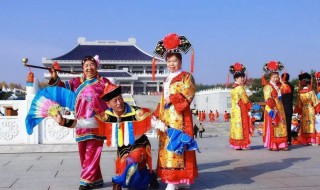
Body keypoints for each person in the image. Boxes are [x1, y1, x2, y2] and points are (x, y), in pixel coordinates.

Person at [49, 55, 111, 189]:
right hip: (80, 123)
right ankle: (97, 179)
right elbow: (61, 89)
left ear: (96, 66)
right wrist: (55, 77)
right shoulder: (76, 82)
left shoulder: (103, 82)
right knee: (84, 153)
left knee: (92, 151)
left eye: (91, 65)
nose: (89, 68)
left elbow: (114, 97)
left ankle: (86, 182)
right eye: (86, 65)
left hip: (97, 123)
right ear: (82, 68)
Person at [153, 33, 198, 190]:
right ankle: (174, 179)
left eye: (175, 61)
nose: (172, 64)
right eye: (169, 61)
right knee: (168, 146)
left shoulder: (186, 76)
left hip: (180, 117)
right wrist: (157, 114)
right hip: (167, 117)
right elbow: (162, 99)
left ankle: (178, 180)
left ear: (180, 61)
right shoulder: (166, 79)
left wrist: (172, 98)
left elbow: (189, 92)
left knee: (178, 144)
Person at [94, 83, 160, 190]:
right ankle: (121, 180)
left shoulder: (135, 111)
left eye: (120, 99)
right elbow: (89, 123)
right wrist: (64, 121)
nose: (119, 103)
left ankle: (148, 177)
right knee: (125, 170)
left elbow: (152, 121)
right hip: (123, 147)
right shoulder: (106, 115)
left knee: (135, 163)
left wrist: (165, 127)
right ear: (108, 104)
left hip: (139, 144)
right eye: (115, 101)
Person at [262, 61, 289, 151]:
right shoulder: (267, 87)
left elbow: (287, 90)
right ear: (270, 77)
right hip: (271, 109)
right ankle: (273, 144)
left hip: (280, 108)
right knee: (274, 126)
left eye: (277, 77)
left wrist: (282, 81)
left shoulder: (279, 86)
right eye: (274, 77)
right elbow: (268, 99)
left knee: (281, 126)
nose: (276, 79)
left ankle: (282, 144)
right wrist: (273, 108)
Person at [228, 63, 253, 150]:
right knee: (243, 126)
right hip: (241, 109)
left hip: (235, 110)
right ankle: (243, 144)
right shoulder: (239, 88)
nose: (242, 79)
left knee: (236, 127)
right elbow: (245, 100)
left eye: (243, 77)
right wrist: (250, 107)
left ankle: (237, 144)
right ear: (236, 78)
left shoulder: (232, 88)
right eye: (240, 77)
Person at [294, 72, 320, 146]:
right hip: (310, 109)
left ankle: (305, 140)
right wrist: (317, 110)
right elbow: (315, 101)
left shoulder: (300, 93)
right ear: (308, 83)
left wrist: (299, 113)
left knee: (305, 124)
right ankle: (312, 140)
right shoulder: (311, 92)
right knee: (311, 124)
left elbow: (298, 104)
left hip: (304, 110)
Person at [281, 73, 294, 145]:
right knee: (288, 124)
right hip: (289, 107)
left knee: (282, 124)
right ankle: (289, 140)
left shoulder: (281, 86)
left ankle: (282, 139)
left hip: (282, 108)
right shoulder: (291, 86)